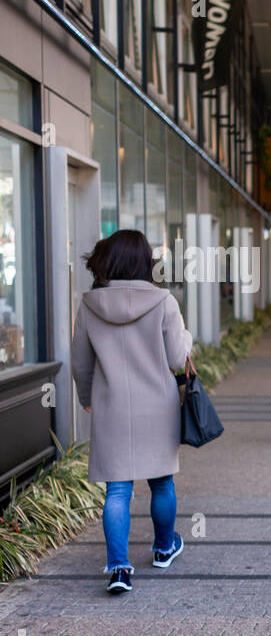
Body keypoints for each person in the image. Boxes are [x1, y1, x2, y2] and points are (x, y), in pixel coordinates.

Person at [71, 230, 193, 595]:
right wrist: (186, 337)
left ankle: (120, 568)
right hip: (157, 405)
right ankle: (163, 548)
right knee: (161, 482)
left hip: (111, 406)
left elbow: (80, 361)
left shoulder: (90, 303)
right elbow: (176, 358)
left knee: (118, 490)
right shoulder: (163, 302)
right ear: (144, 262)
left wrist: (86, 397)